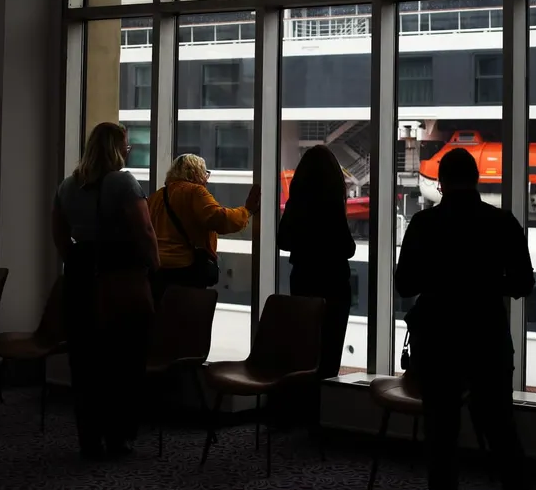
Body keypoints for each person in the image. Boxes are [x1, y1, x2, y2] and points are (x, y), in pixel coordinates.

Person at [395, 148, 534, 490]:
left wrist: (441, 280)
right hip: (488, 339)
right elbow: (523, 283)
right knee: (501, 432)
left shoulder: (424, 224)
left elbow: (404, 286)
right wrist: (486, 284)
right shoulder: (503, 222)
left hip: (438, 343)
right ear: (477, 179)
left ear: (440, 184)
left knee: (441, 440)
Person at [52, 122, 159, 460]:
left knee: (84, 362)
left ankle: (89, 438)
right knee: (125, 360)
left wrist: (78, 262)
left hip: (80, 277)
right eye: (125, 144)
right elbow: (143, 228)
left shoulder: (68, 186)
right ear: (116, 148)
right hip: (119, 276)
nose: (128, 149)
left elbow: (58, 233)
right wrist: (155, 265)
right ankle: (118, 437)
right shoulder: (123, 182)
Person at [278, 145, 356, 419]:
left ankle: (301, 412)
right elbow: (348, 249)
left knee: (306, 348)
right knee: (329, 350)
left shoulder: (297, 204)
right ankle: (323, 417)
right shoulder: (332, 206)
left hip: (303, 280)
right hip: (334, 282)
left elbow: (283, 240)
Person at [147, 153, 259, 297]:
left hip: (158, 269)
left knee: (164, 316)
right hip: (184, 269)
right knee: (187, 316)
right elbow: (220, 219)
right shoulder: (194, 192)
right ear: (196, 172)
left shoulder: (156, 196)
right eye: (205, 173)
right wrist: (247, 210)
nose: (207, 179)